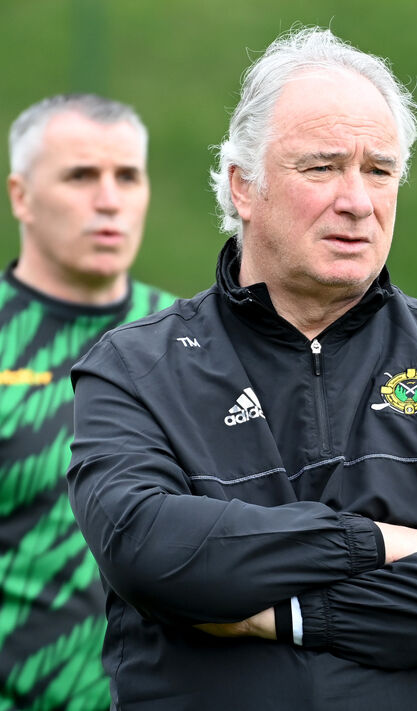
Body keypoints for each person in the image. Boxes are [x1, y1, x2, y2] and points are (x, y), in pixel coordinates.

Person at [67, 28, 417, 711]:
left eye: (379, 170)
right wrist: (378, 541)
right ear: (244, 186)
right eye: (323, 167)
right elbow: (149, 549)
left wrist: (287, 615)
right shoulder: (132, 369)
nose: (358, 200)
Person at [0, 94, 175, 710]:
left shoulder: (193, 342)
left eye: (127, 176)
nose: (109, 201)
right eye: (81, 176)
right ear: (21, 196)